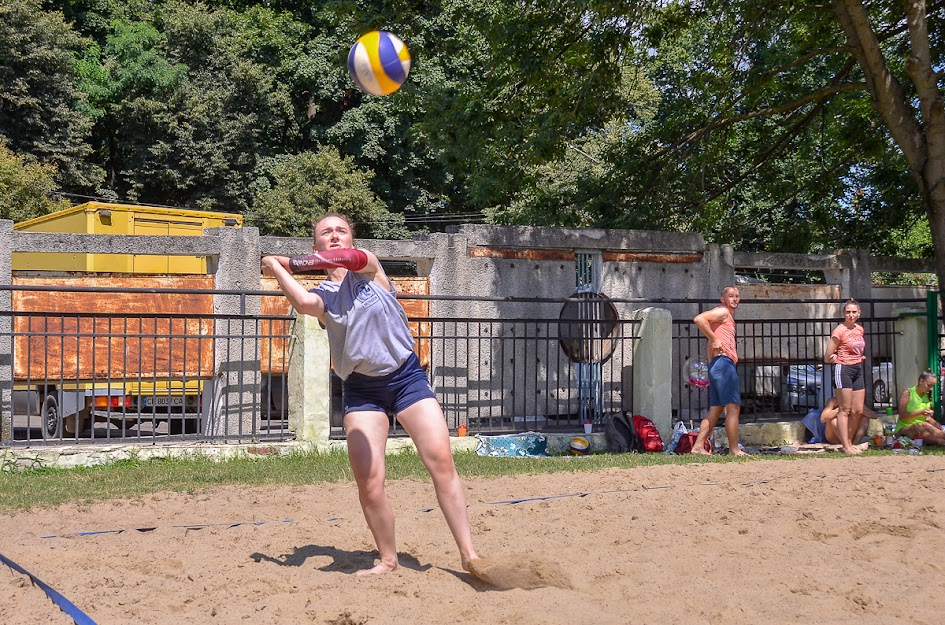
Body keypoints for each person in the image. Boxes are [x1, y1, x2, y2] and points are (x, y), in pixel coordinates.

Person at [261, 213, 480, 576]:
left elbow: (347, 260)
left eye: (341, 231)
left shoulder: (369, 267)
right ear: (316, 246)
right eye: (325, 233)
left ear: (352, 239)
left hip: (407, 378)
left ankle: (469, 555)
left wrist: (285, 262)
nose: (334, 236)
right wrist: (276, 266)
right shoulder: (324, 296)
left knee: (441, 461)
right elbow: (302, 303)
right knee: (369, 480)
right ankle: (389, 559)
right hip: (362, 389)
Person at [690, 286, 746, 456]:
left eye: (737, 296)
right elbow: (699, 319)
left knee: (716, 408)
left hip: (717, 364)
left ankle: (698, 446)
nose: (734, 299)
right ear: (723, 299)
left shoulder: (726, 317)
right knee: (733, 408)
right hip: (723, 363)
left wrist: (711, 363)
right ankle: (734, 449)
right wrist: (714, 339)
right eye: (731, 296)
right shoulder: (722, 312)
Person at [823, 299, 867, 454]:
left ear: (859, 313)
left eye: (854, 312)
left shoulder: (859, 330)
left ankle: (850, 441)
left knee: (858, 410)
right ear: (844, 314)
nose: (851, 315)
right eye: (848, 312)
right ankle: (846, 446)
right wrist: (833, 358)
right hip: (843, 369)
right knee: (845, 409)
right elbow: (827, 356)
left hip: (857, 369)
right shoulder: (839, 330)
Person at [895, 370, 945, 446]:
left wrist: (940, 427)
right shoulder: (907, 393)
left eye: (932, 386)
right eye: (929, 385)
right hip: (904, 429)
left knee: (926, 425)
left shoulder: (927, 396)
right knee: (916, 426)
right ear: (921, 381)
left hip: (922, 427)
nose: (931, 389)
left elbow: (928, 418)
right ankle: (940, 442)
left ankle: (942, 438)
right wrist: (921, 412)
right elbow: (902, 416)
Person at [802, 396, 877, 447]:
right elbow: (823, 418)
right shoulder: (833, 401)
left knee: (865, 418)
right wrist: (840, 409)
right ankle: (846, 443)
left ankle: (855, 443)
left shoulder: (855, 401)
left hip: (851, 432)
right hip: (834, 435)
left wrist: (859, 409)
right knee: (833, 420)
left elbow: (874, 415)